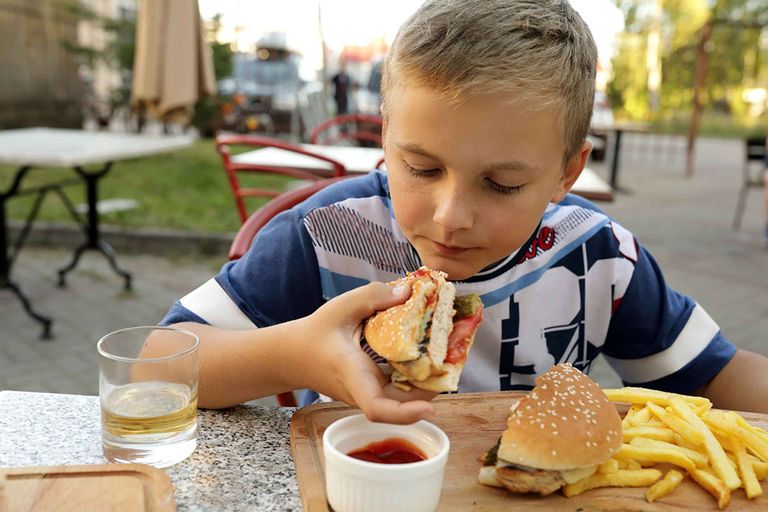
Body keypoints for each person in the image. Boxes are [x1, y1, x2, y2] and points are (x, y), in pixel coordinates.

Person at [160, 0, 768, 423]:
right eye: (421, 169)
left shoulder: (600, 258)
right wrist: (294, 353)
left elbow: (715, 375)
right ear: (386, 136)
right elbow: (153, 367)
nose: (451, 217)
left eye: (501, 184)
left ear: (567, 172)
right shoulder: (327, 235)